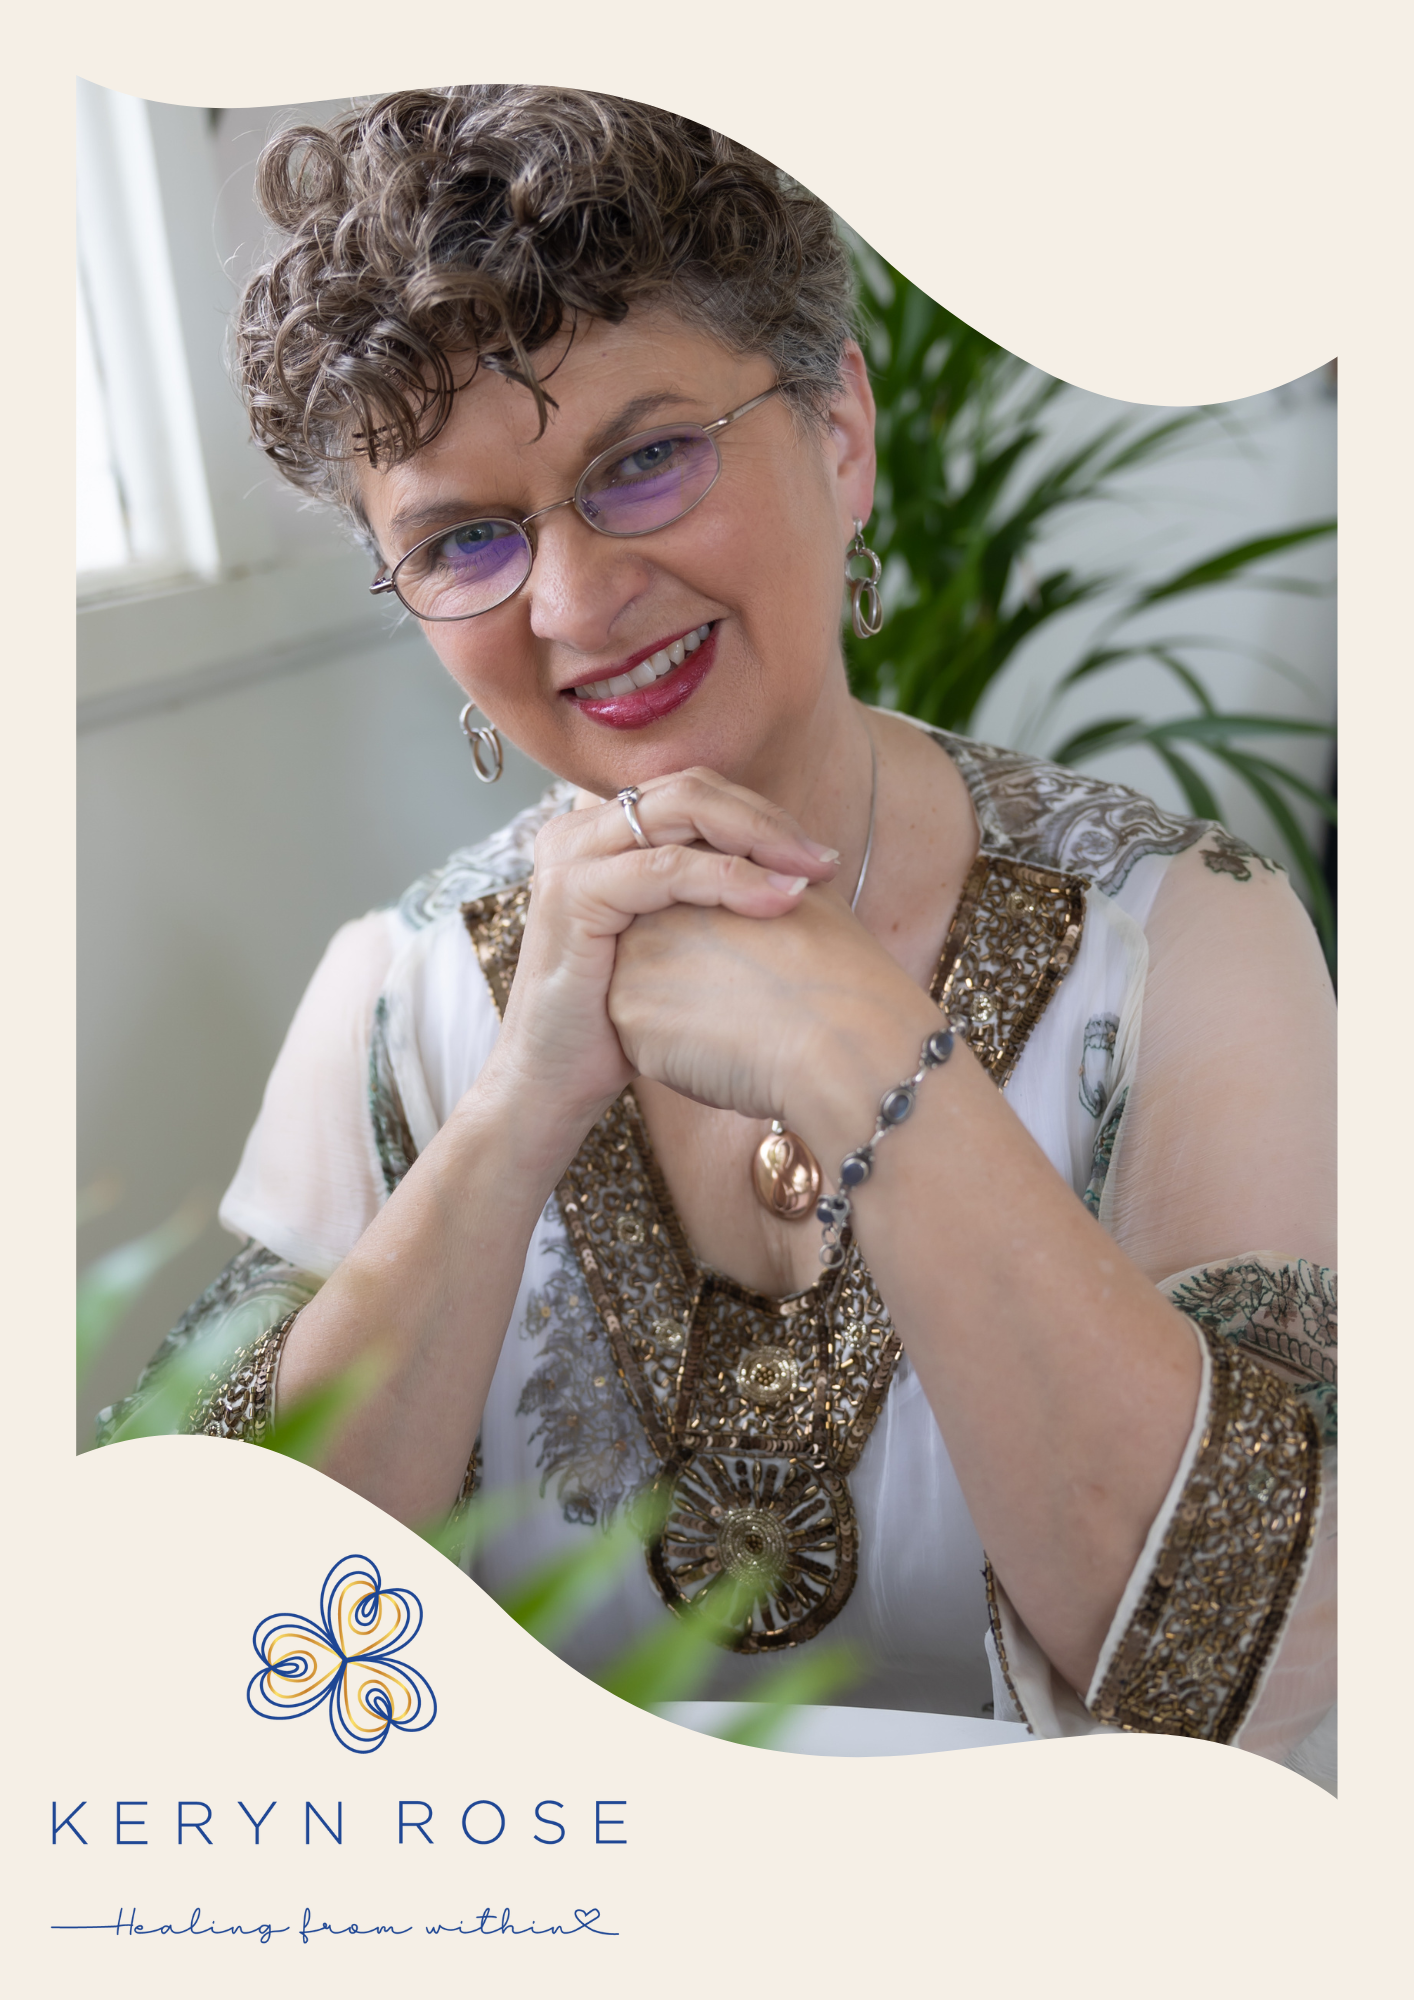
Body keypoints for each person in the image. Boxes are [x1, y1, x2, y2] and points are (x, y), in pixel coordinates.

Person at [102, 85, 1336, 1775]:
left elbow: (1243, 1665)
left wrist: (862, 1053)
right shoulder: (394, 1001)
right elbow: (194, 1640)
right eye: (463, 540)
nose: (569, 606)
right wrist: (516, 1110)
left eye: (644, 462)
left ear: (839, 430)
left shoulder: (1182, 942)